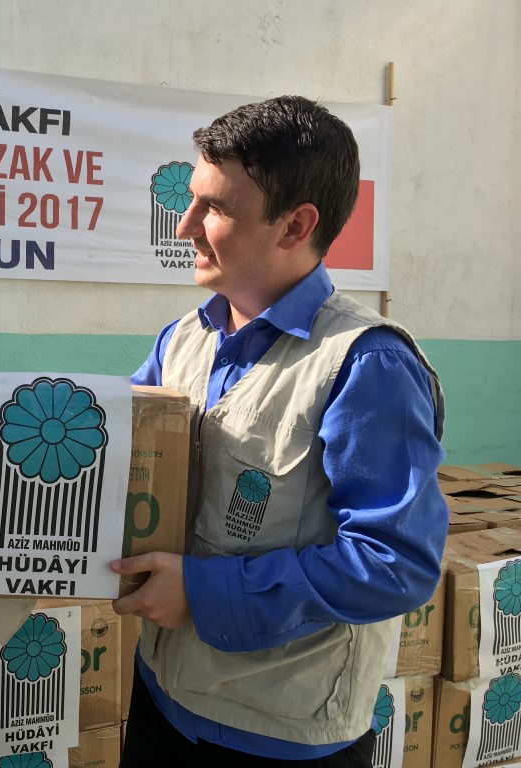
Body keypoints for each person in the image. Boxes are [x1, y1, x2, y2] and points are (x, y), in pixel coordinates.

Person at [110, 95, 447, 767]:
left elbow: (394, 564)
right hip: (162, 697)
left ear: (295, 225)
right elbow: (123, 466)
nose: (184, 226)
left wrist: (201, 594)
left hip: (281, 737)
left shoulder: (366, 364)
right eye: (191, 200)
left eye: (214, 208)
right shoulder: (182, 340)